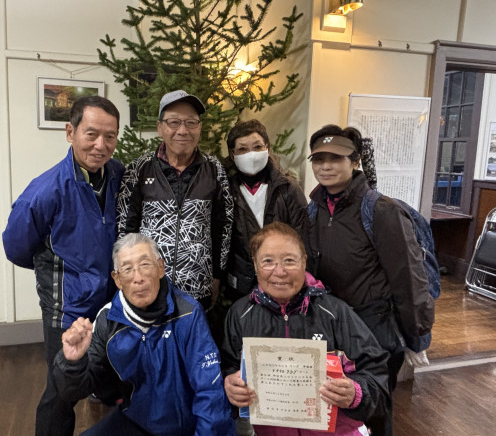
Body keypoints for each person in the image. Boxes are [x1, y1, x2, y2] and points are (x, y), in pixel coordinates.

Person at [2, 95, 124, 436]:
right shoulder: (45, 191)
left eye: (110, 136)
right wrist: (60, 273)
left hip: (110, 301)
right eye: (91, 134)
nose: (101, 145)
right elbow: (16, 247)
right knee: (61, 390)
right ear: (71, 132)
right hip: (66, 306)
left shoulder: (118, 175)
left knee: (112, 369)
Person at [306, 125, 435, 436]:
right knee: (335, 409)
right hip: (331, 326)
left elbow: (409, 277)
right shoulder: (314, 209)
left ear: (355, 161)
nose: (326, 166)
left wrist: (417, 336)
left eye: (336, 158)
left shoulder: (380, 210)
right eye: (319, 159)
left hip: (373, 328)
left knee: (375, 411)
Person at [53, 233, 235, 436]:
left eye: (145, 265)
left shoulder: (188, 314)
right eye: (127, 269)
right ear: (117, 279)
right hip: (135, 423)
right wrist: (72, 362)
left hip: (186, 427)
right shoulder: (108, 320)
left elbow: (210, 391)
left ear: (161, 268)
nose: (138, 278)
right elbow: (74, 391)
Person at [222, 222, 389, 436]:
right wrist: (230, 384)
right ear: (255, 265)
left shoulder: (335, 312)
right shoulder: (240, 314)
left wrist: (356, 394)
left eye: (289, 261)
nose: (279, 272)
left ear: (304, 262)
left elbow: (378, 376)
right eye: (268, 261)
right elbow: (228, 366)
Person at [117, 89, 233, 310]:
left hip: (197, 288)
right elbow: (125, 228)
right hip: (149, 286)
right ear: (160, 128)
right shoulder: (139, 169)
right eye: (174, 122)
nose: (183, 130)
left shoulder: (214, 169)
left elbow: (223, 227)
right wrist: (126, 274)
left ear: (199, 127)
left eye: (191, 122)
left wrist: (217, 276)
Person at [224, 119, 310, 302]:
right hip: (241, 287)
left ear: (267, 148)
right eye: (243, 149)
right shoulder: (226, 190)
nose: (251, 155)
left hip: (282, 281)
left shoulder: (287, 188)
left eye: (257, 147)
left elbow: (304, 236)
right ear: (232, 154)